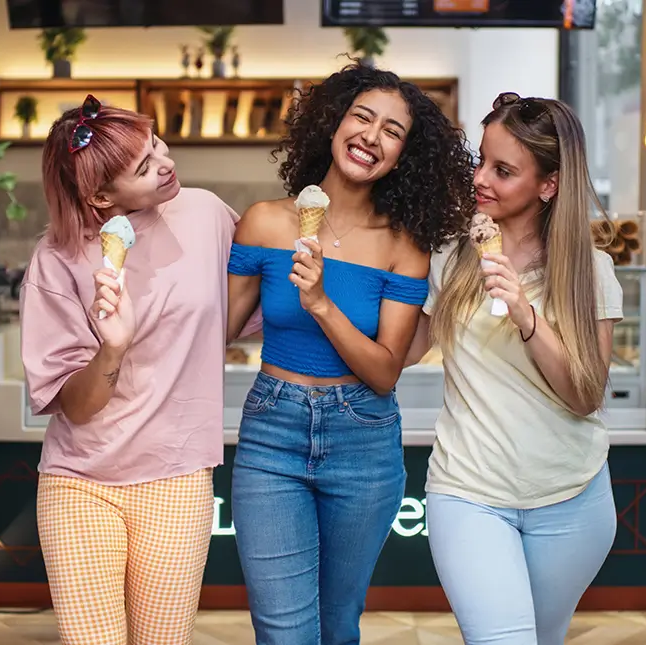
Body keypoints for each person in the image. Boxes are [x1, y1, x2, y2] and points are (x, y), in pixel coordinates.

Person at [226, 63, 475, 644]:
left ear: (403, 155)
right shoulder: (264, 223)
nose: (371, 135)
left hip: (363, 440)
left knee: (337, 627)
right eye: (362, 117)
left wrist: (320, 302)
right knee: (284, 631)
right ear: (333, 124)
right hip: (272, 435)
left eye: (393, 131)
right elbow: (219, 330)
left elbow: (385, 371)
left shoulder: (403, 247)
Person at [19, 95, 258, 645]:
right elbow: (74, 406)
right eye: (145, 168)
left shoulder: (205, 214)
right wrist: (112, 349)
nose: (166, 163)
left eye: (157, 145)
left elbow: (251, 308)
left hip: (177, 476)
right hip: (80, 484)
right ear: (101, 196)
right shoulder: (56, 260)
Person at [405, 93, 623, 645]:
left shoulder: (590, 272)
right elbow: (401, 354)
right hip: (469, 490)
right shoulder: (452, 258)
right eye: (482, 160)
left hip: (573, 499)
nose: (481, 178)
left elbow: (586, 396)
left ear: (548, 184)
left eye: (502, 170)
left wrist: (527, 316)